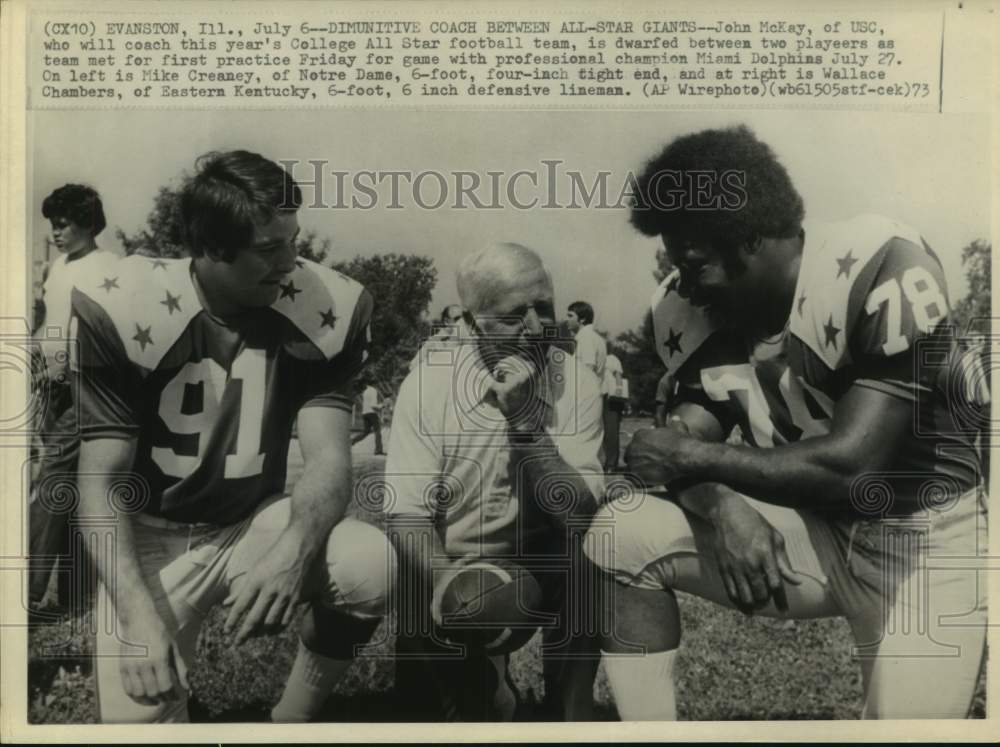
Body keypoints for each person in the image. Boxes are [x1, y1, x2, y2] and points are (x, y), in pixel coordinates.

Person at [585, 125, 987, 720]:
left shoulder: (882, 266)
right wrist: (721, 504)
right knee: (619, 532)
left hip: (924, 541)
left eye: (696, 266)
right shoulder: (691, 313)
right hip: (816, 533)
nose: (687, 290)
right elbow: (671, 449)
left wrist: (696, 462)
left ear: (750, 238)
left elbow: (852, 467)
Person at [70, 150, 396, 723]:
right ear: (211, 251)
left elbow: (328, 460)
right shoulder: (124, 307)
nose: (292, 263)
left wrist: (293, 552)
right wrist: (138, 615)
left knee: (367, 564)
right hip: (148, 534)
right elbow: (99, 484)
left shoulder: (322, 308)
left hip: (250, 523)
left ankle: (292, 717)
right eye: (269, 250)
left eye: (293, 240)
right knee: (137, 719)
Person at [385, 242, 606, 721]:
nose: (534, 328)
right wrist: (449, 582)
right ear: (469, 325)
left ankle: (571, 715)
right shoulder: (428, 385)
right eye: (512, 315)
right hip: (451, 560)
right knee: (444, 717)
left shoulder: (577, 380)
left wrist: (527, 423)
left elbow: (581, 514)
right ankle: (485, 687)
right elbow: (406, 516)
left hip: (542, 560)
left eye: (543, 308)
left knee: (592, 557)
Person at [29, 184, 115, 613]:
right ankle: (76, 593)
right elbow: (49, 323)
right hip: (50, 383)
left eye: (63, 224)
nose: (56, 232)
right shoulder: (59, 266)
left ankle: (23, 590)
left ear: (87, 222)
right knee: (73, 488)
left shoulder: (108, 267)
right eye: (52, 225)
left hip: (87, 386)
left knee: (53, 480)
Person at [565, 301, 606, 381]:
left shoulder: (585, 337)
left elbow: (588, 369)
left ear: (582, 319)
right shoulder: (593, 336)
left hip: (584, 391)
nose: (567, 319)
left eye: (570, 316)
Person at [601, 350, 627, 472]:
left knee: (611, 431)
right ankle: (603, 462)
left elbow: (618, 375)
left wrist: (618, 391)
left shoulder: (611, 358)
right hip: (596, 396)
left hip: (610, 397)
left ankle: (611, 464)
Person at [352, 378, 385, 455]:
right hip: (371, 413)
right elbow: (373, 405)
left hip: (365, 413)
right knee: (377, 431)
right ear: (375, 384)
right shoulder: (373, 391)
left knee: (366, 432)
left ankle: (352, 441)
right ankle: (378, 450)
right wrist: (381, 406)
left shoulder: (365, 391)